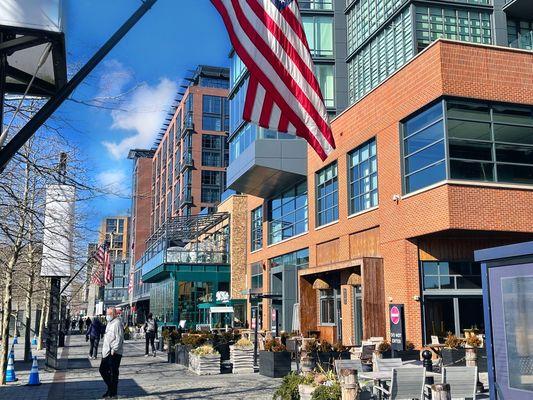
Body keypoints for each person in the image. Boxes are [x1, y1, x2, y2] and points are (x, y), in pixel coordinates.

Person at [99, 308, 124, 399]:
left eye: (108, 314)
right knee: (103, 370)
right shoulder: (110, 323)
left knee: (113, 372)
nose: (107, 315)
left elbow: (119, 338)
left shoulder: (117, 323)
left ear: (113, 314)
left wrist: (114, 349)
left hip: (114, 352)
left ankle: (113, 392)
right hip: (106, 351)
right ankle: (111, 389)